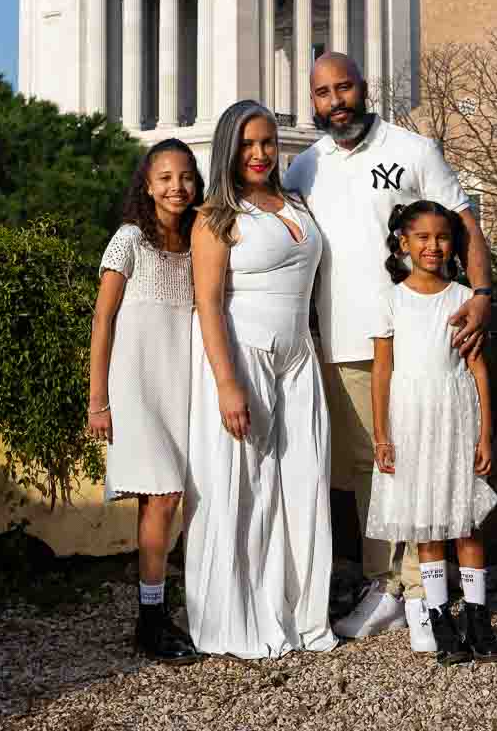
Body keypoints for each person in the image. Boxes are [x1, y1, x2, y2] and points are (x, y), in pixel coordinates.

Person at [283, 52, 492, 650]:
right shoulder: (306, 168)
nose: (334, 101)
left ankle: (413, 592)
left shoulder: (414, 148)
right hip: (341, 338)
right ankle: (392, 586)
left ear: (363, 88)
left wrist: (481, 294)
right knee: (368, 469)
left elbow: (466, 224)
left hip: (421, 341)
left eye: (342, 87)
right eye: (322, 92)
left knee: (416, 464)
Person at [185, 100, 337, 659]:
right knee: (242, 486)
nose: (259, 153)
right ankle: (237, 618)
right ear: (229, 147)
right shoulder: (215, 217)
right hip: (241, 353)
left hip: (299, 356)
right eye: (248, 143)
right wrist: (228, 385)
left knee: (304, 481)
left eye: (268, 142)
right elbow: (206, 304)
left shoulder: (295, 201)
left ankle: (301, 614)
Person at [367, 201, 497, 665]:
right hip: (410, 421)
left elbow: (478, 370)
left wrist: (485, 435)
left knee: (465, 522)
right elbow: (382, 371)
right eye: (422, 237)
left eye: (442, 237)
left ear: (453, 244)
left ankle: (478, 618)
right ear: (404, 243)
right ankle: (438, 616)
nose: (433, 246)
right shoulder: (390, 298)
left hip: (456, 417)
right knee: (427, 524)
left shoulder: (462, 297)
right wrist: (381, 435)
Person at [89, 139, 204, 665]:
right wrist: (98, 401)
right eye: (164, 178)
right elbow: (103, 319)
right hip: (137, 387)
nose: (176, 187)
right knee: (159, 496)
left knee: (179, 499)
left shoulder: (200, 240)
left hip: (185, 383)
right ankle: (151, 619)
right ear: (147, 184)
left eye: (185, 177)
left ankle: (171, 610)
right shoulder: (128, 240)